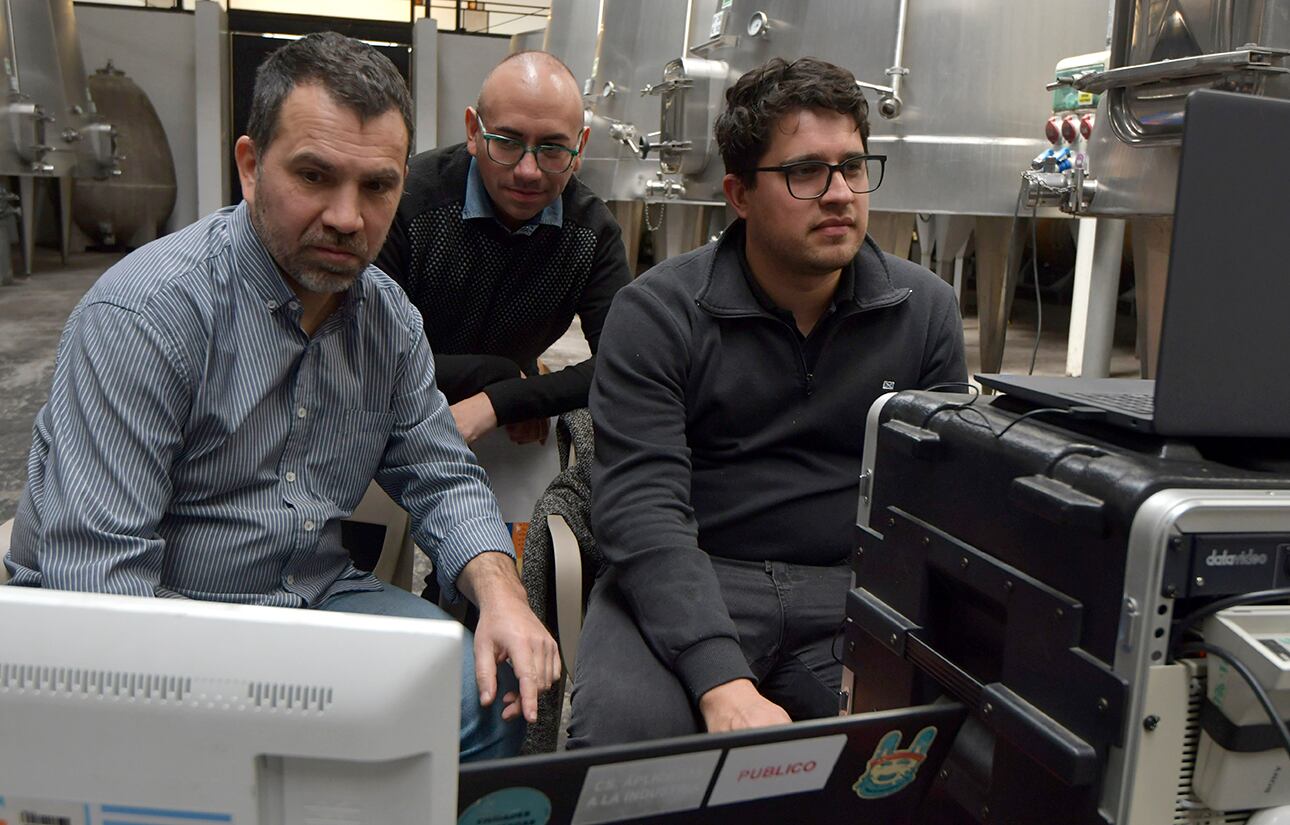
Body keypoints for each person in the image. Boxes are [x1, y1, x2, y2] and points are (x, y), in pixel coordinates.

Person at [2, 32, 558, 762]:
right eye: (314, 176)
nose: (347, 217)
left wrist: (502, 594)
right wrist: (271, 697)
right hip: (157, 616)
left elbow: (441, 473)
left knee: (502, 696)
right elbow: (101, 584)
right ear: (249, 166)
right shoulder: (149, 316)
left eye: (377, 186)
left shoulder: (387, 320)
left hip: (310, 599)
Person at [567, 57, 968, 748]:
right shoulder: (658, 313)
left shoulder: (923, 311)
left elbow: (937, 509)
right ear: (740, 193)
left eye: (853, 166)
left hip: (849, 591)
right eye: (806, 172)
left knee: (934, 754)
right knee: (629, 748)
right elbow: (642, 508)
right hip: (690, 572)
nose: (840, 193)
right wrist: (721, 681)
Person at [374, 50, 630, 448]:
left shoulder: (592, 233)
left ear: (580, 148)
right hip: (386, 408)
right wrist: (498, 376)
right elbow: (371, 356)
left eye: (552, 149)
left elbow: (622, 365)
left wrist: (505, 401)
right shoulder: (407, 205)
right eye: (507, 142)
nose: (528, 171)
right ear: (473, 131)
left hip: (507, 420)